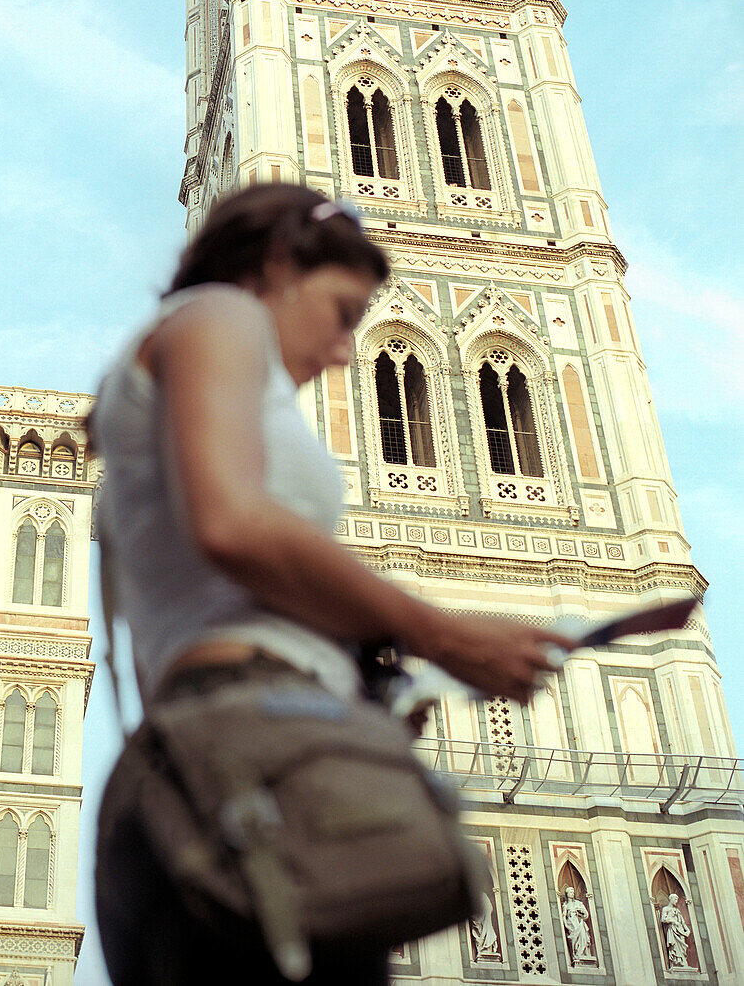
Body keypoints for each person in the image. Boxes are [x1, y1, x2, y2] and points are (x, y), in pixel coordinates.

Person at [91, 183, 574, 985]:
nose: (350, 347)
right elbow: (234, 527)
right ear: (280, 264)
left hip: (204, 777)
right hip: (257, 771)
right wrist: (442, 633)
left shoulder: (172, 390)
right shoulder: (221, 316)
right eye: (346, 310)